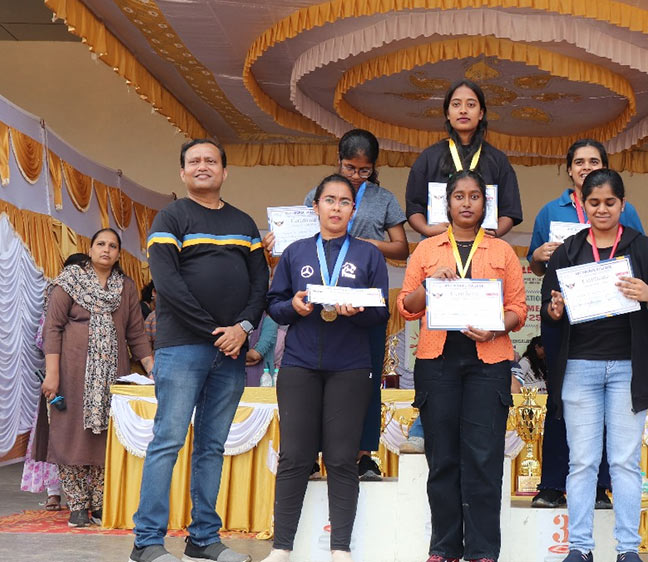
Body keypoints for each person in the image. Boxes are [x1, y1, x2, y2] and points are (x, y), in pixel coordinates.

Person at [130, 139, 269, 562]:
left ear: (225, 171)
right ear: (182, 172)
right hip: (182, 348)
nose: (202, 166)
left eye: (211, 160)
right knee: (168, 441)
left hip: (231, 352)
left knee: (212, 446)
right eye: (194, 161)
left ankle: (204, 539)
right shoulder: (171, 217)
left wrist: (243, 329)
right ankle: (147, 542)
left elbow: (260, 284)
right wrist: (216, 332)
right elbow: (168, 285)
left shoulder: (244, 223)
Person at [541, 169, 648, 562]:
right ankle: (580, 548)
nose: (602, 209)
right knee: (582, 462)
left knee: (624, 463)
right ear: (583, 204)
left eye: (610, 202)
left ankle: (628, 550)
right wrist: (554, 309)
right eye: (594, 202)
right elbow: (550, 311)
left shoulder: (644, 249)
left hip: (628, 370)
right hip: (579, 367)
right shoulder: (567, 251)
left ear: (623, 204)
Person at [398, 170, 527, 562]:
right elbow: (406, 307)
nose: (467, 203)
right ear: (447, 203)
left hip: (488, 364)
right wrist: (429, 284)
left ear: (485, 204)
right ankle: (444, 548)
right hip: (437, 363)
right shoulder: (427, 250)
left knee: (484, 459)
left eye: (475, 196)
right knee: (442, 459)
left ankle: (483, 551)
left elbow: (518, 309)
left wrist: (495, 328)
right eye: (459, 196)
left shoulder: (502, 252)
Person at [265, 128, 408, 481]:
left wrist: (360, 244)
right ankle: (310, 454)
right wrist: (275, 245)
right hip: (317, 304)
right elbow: (301, 243)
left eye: (364, 170)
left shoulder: (384, 198)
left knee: (366, 380)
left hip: (362, 301)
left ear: (374, 168)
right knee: (312, 381)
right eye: (349, 168)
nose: (356, 175)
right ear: (338, 161)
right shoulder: (319, 193)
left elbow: (401, 248)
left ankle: (363, 455)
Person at [261, 174, 390, 562]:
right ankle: (281, 548)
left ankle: (340, 549)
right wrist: (293, 307)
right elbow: (275, 305)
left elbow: (381, 313)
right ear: (315, 207)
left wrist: (359, 310)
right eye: (329, 200)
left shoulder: (369, 255)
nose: (336, 208)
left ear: (354, 210)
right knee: (295, 457)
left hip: (350, 367)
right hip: (299, 364)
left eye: (344, 201)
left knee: (341, 458)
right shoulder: (296, 252)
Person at [528, 139, 644, 509]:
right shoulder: (550, 210)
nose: (586, 167)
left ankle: (598, 486)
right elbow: (535, 265)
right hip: (563, 318)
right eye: (579, 162)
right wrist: (539, 255)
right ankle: (552, 483)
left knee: (608, 404)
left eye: (594, 161)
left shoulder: (627, 210)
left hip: (610, 320)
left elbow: (639, 255)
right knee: (560, 398)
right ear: (569, 170)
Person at [40, 230, 154, 528]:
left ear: (118, 254)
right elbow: (52, 328)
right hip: (70, 375)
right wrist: (52, 374)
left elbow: (136, 333)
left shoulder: (125, 287)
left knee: (106, 436)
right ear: (90, 249)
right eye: (101, 244)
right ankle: (78, 505)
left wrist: (152, 368)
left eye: (113, 246)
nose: (106, 249)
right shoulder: (69, 282)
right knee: (70, 434)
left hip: (111, 379)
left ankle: (101, 502)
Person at [405, 79, 522, 239]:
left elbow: (509, 210)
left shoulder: (498, 160)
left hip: (483, 243)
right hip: (437, 242)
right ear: (448, 113)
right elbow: (414, 206)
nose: (463, 110)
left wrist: (494, 233)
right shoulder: (428, 157)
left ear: (481, 113)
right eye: (456, 104)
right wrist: (427, 230)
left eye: (471, 105)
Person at [23, 252, 89, 513]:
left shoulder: (93, 298)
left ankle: (83, 494)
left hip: (86, 378)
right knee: (55, 433)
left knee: (81, 435)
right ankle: (53, 491)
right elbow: (42, 338)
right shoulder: (56, 295)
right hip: (58, 376)